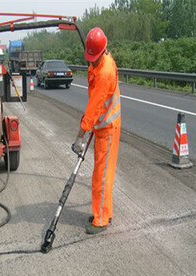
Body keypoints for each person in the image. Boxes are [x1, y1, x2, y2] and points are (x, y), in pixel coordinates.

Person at [72, 27, 121, 235]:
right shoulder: (102, 59)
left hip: (107, 129)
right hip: (104, 125)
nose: (91, 61)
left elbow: (94, 107)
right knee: (103, 173)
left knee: (101, 176)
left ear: (102, 51)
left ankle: (101, 220)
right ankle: (104, 211)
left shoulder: (105, 73)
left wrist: (80, 136)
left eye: (93, 58)